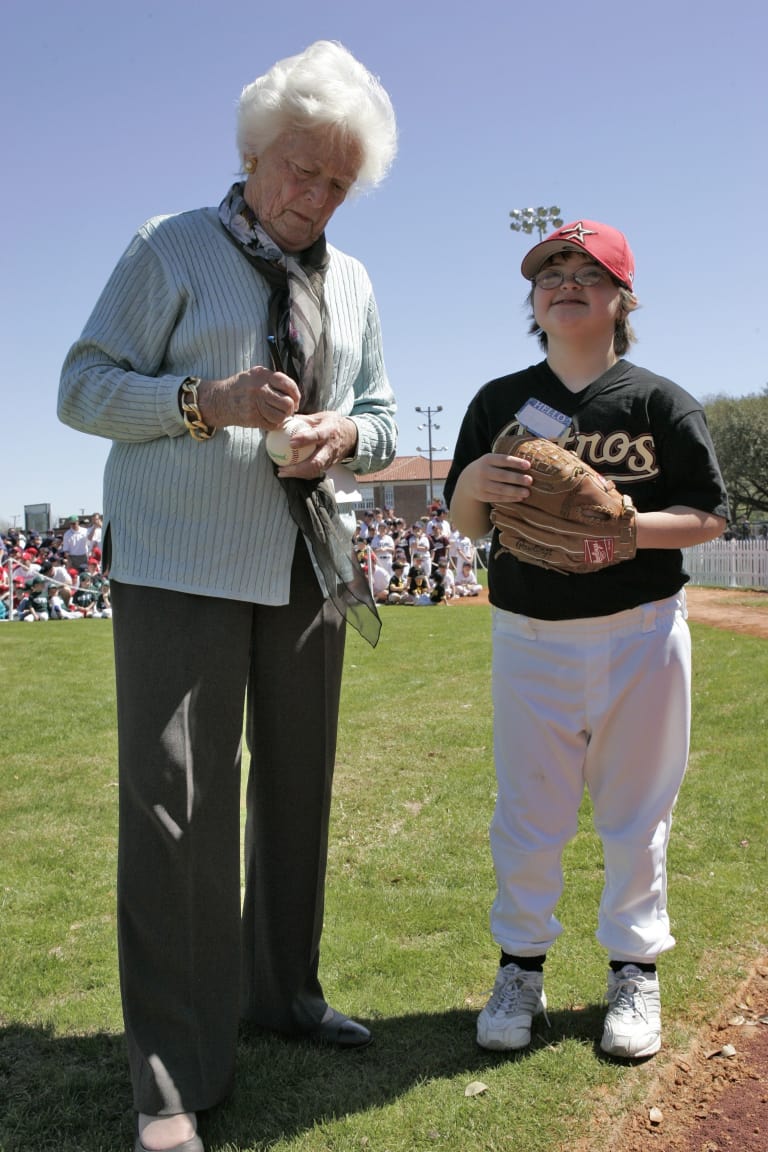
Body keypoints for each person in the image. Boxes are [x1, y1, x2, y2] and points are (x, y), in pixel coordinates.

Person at [58, 40, 397, 1152]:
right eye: (301, 169)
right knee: (177, 815)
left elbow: (385, 415)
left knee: (295, 795)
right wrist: (209, 404)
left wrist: (344, 433)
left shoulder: (352, 282)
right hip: (178, 560)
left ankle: (283, 995)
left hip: (307, 565)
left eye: (339, 182)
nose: (315, 196)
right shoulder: (170, 247)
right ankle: (170, 1076)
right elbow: (83, 384)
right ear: (252, 153)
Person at [445, 220, 728, 1062]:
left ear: (621, 297)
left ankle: (633, 971)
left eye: (588, 271)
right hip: (529, 629)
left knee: (636, 813)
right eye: (550, 271)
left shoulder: (658, 401)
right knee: (528, 811)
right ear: (534, 299)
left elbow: (710, 516)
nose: (566, 281)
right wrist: (469, 483)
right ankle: (520, 969)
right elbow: (470, 525)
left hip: (641, 629)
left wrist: (627, 531)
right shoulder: (500, 401)